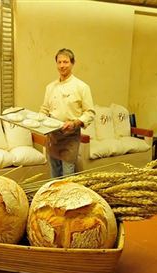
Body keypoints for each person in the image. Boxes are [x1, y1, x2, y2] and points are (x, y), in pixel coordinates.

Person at [40, 48, 95, 177]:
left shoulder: (82, 87)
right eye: (59, 62)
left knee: (67, 178)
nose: (62, 66)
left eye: (65, 62)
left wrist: (75, 123)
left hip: (70, 136)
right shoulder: (50, 87)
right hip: (52, 137)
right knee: (54, 177)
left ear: (72, 63)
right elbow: (44, 109)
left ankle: (68, 196)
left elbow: (90, 112)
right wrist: (38, 120)